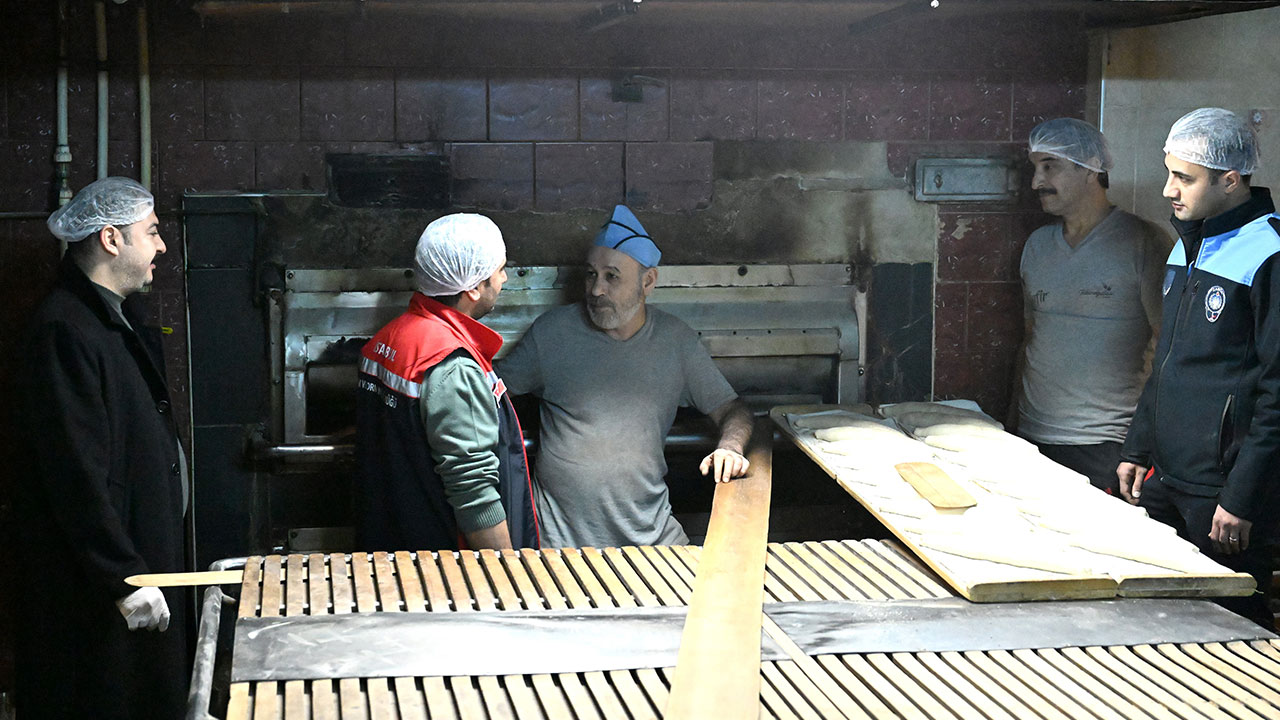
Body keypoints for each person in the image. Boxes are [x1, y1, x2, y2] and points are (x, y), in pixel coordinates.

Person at [14, 177, 189, 719]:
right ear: (112, 239)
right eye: (152, 232)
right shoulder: (64, 329)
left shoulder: (112, 316)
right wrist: (122, 575)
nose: (162, 246)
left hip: (138, 558)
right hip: (100, 588)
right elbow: (73, 469)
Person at [496, 205, 755, 549]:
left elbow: (733, 408)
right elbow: (488, 396)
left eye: (612, 277)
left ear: (648, 282)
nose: (596, 290)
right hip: (558, 544)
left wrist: (731, 447)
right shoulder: (552, 334)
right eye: (591, 275)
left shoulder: (676, 341)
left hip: (651, 537)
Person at [1118, 108, 1279, 628]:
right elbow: (1168, 361)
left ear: (1229, 181)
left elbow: (1277, 393)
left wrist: (1242, 498)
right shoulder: (1190, 244)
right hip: (1168, 477)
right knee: (1159, 619)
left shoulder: (1269, 253)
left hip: (1223, 492)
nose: (1169, 190)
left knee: (1231, 626)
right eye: (1170, 173)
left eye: (1183, 178)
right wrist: (1138, 448)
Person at [356, 213, 538, 552]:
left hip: (390, 553)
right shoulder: (453, 366)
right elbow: (475, 497)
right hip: (446, 568)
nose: (504, 278)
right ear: (473, 288)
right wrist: (507, 572)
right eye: (499, 270)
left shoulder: (388, 338)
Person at [1011, 118, 1170, 494]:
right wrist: (1012, 422)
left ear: (1090, 168)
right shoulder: (1037, 246)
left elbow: (1169, 349)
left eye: (1050, 166)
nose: (1036, 182)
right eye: (1035, 168)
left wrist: (1144, 446)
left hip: (1106, 444)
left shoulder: (1143, 242)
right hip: (1032, 436)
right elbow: (1030, 339)